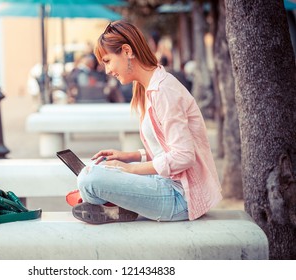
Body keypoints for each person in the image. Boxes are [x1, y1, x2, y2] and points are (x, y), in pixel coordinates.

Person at [71, 20, 222, 224]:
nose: (106, 70)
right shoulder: (149, 87)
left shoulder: (163, 90)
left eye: (107, 61)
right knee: (98, 169)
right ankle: (113, 204)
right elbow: (166, 149)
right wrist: (129, 156)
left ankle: (110, 204)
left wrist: (130, 169)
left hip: (180, 196)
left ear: (126, 51)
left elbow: (184, 156)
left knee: (89, 180)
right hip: (166, 183)